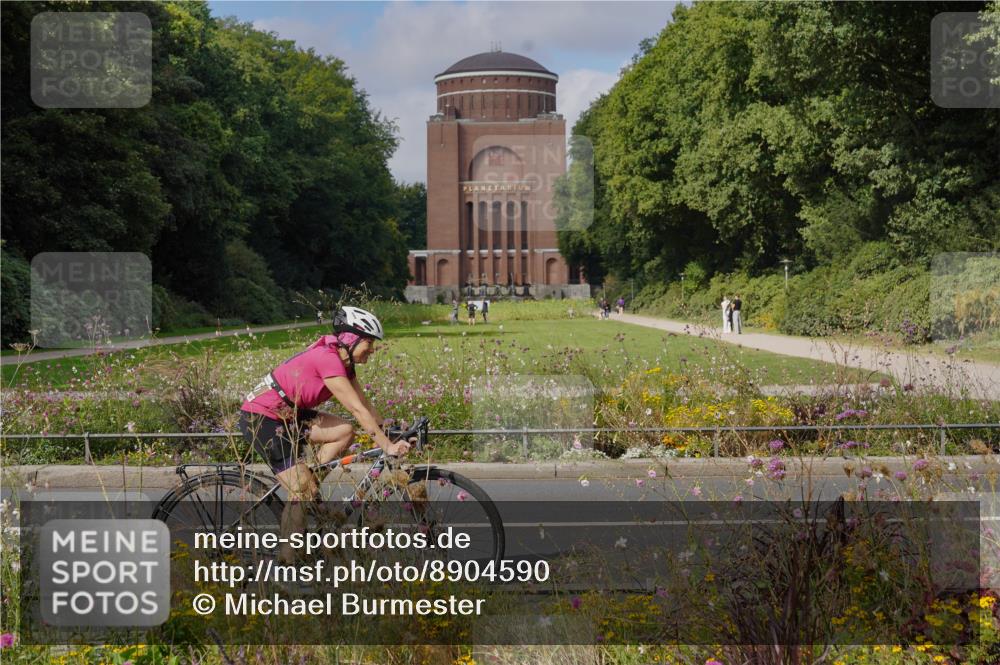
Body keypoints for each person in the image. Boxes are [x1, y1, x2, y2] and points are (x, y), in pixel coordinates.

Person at [238, 306, 410, 564]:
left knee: (344, 431)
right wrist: (386, 447)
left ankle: (309, 482)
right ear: (351, 340)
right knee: (301, 491)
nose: (372, 349)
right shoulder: (327, 359)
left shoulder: (345, 363)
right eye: (369, 343)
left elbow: (365, 405)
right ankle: (286, 565)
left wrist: (390, 431)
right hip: (262, 417)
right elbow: (355, 408)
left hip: (290, 415)